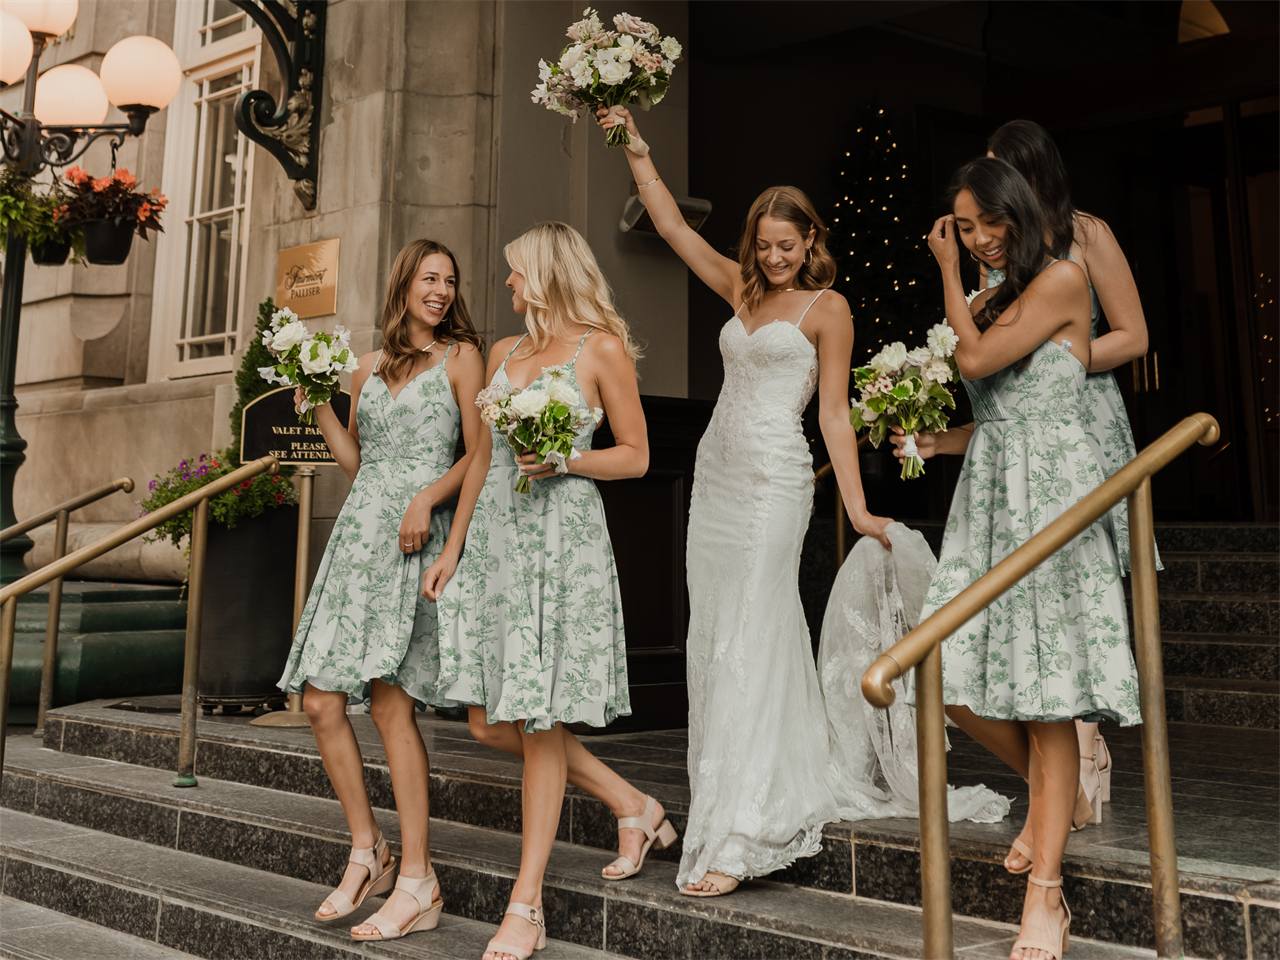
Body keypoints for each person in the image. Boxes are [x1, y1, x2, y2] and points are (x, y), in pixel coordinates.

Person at [598, 105, 900, 897]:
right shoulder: (738, 289)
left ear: (811, 244)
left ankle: (745, 829)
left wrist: (860, 510)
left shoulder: (826, 309)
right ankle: (723, 801)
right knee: (712, 642)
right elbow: (669, 229)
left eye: (787, 246)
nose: (772, 258)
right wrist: (638, 150)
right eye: (763, 245)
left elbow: (834, 414)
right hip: (717, 481)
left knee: (750, 635)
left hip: (776, 481)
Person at [421, 222, 667, 960]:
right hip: (496, 544)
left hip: (562, 547)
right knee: (488, 723)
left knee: (535, 724)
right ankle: (633, 803)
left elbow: (637, 457)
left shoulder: (600, 348)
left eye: (515, 272)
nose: (505, 284)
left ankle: (525, 905)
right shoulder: (504, 353)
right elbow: (481, 460)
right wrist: (454, 549)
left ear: (549, 272)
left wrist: (567, 459)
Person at [916, 157, 1139, 960]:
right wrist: (938, 440)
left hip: (1052, 493)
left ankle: (1045, 896)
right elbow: (1005, 407)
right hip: (990, 497)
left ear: (1019, 212)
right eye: (963, 228)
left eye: (986, 224)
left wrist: (943, 270)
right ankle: (1062, 791)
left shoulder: (1062, 282)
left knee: (1048, 696)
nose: (976, 240)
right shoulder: (993, 299)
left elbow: (974, 363)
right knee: (939, 668)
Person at [277, 239, 485, 942]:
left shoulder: (461, 358)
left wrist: (428, 500)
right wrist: (322, 409)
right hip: (360, 538)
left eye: (450, 281)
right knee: (319, 700)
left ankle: (421, 879)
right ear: (403, 284)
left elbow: (479, 452)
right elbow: (359, 464)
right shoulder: (364, 367)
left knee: (392, 706)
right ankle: (369, 850)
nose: (442, 291)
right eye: (430, 278)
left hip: (415, 538)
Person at [988, 118, 1153, 836]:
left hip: (1082, 413)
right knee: (1033, 579)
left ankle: (1086, 748)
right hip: (1020, 424)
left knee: (1081, 571)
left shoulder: (1088, 234)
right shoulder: (996, 243)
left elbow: (1135, 333)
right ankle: (1071, 759)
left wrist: (1061, 355)